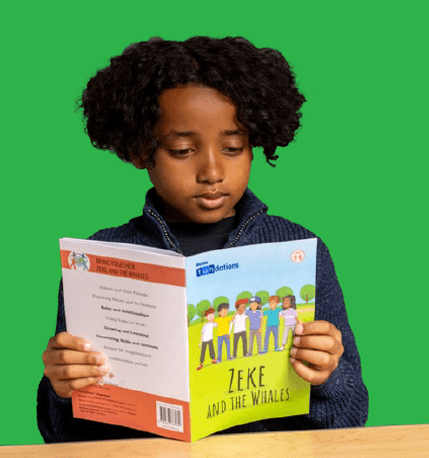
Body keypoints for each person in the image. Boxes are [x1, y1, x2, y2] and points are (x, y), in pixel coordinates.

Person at [38, 36, 368, 443]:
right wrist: (62, 387)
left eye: (232, 147)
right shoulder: (98, 260)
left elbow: (351, 418)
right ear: (143, 151)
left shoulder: (299, 249)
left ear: (253, 147)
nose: (212, 171)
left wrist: (327, 375)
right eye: (182, 150)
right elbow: (60, 437)